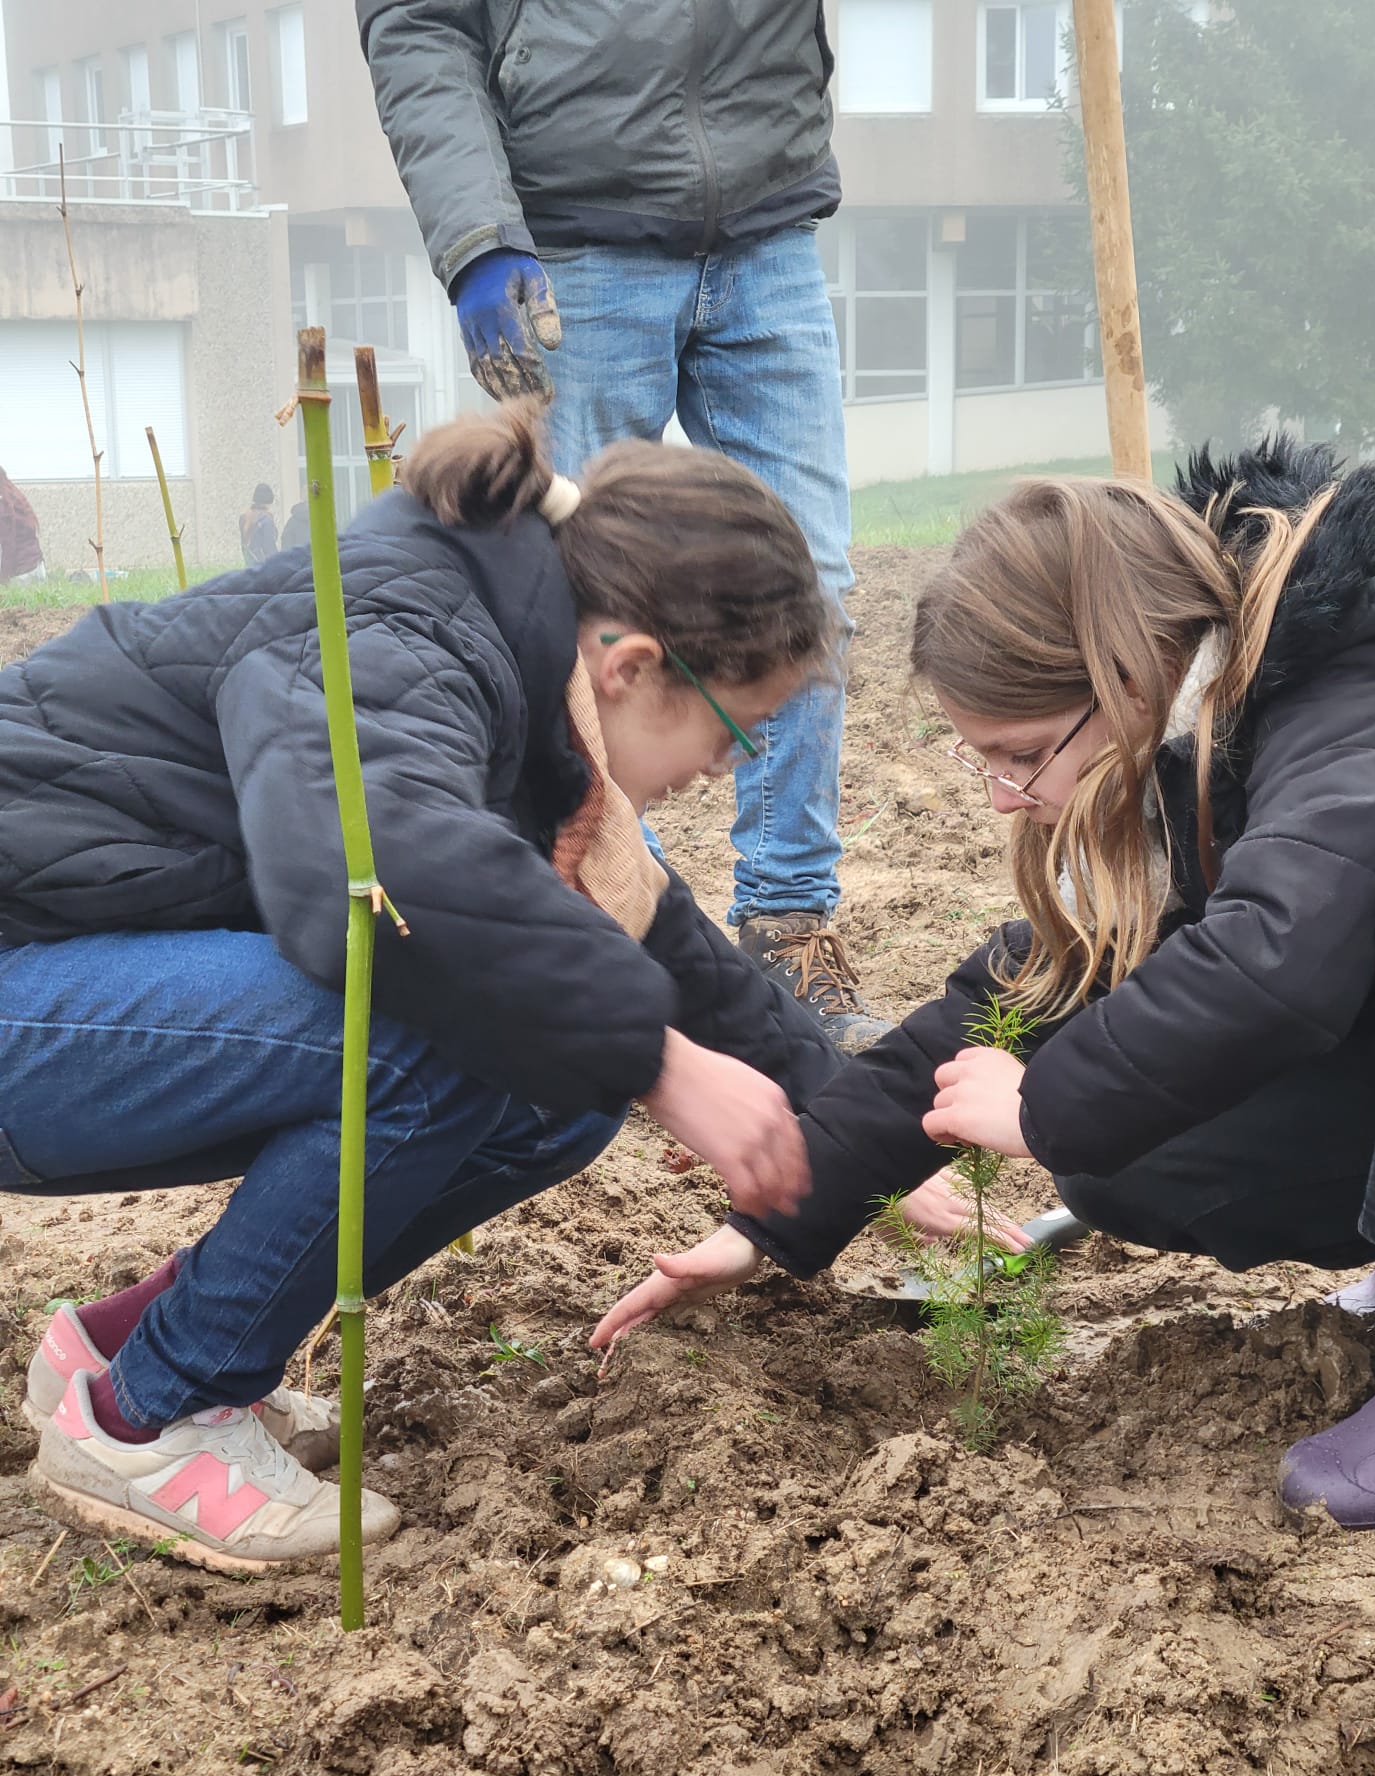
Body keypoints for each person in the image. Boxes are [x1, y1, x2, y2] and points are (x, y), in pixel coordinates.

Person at [0, 404, 897, 1573]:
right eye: (734, 736)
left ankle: (122, 1351)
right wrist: (664, 1067)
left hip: (59, 991)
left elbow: (656, 939)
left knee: (553, 1094)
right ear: (631, 668)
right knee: (434, 1026)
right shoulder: (402, 630)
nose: (716, 774)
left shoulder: (511, 654)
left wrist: (860, 1129)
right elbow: (378, 886)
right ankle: (150, 1416)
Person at [594, 436, 1375, 1533]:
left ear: (1127, 679)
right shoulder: (1179, 730)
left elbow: (1282, 960)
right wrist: (775, 1217)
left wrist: (1042, 1106)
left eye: (1021, 752)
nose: (1004, 798)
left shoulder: (1357, 679)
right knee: (1133, 1159)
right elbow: (1018, 990)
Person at [357, 0, 888, 1051]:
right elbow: (419, 23)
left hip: (768, 219)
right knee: (557, 599)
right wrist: (475, 237)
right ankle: (581, 927)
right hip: (574, 242)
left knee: (811, 589)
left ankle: (785, 930)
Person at [0, 465, 45, 584]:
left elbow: (7, 546)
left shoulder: (4, 507)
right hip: (36, 567)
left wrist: (3, 579)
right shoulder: (14, 497)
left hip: (23, 575)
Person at [239, 483, 279, 565]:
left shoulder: (244, 517)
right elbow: (270, 547)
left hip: (250, 565)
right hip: (264, 567)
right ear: (270, 500)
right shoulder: (266, 519)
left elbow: (244, 545)